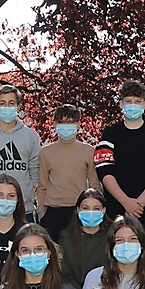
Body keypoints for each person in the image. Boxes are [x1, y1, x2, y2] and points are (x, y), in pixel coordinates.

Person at [94, 79, 145, 232]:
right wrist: (126, 202)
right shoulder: (110, 133)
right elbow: (104, 171)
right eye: (128, 101)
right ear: (121, 104)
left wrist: (139, 204)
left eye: (137, 101)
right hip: (116, 210)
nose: (133, 105)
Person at [37, 104, 101, 242]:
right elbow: (42, 185)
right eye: (62, 122)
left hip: (79, 210)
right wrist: (41, 212)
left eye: (70, 122)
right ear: (55, 124)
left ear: (78, 124)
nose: (66, 126)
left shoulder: (88, 151)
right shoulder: (45, 153)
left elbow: (94, 184)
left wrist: (95, 210)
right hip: (53, 211)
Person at [0, 84, 41, 221]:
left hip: (24, 208)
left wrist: (27, 193)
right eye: (2, 103)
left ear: (18, 106)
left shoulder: (31, 136)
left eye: (11, 103)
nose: (7, 107)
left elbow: (35, 171)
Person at [59, 188, 112, 289]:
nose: (91, 212)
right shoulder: (65, 238)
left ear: (104, 210)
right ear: (78, 210)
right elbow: (65, 273)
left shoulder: (113, 235)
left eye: (96, 208)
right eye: (85, 208)